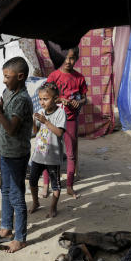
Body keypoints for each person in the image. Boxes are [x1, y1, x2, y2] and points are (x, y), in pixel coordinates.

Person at [0, 57, 33, 254]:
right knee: (5, 190)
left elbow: (12, 129)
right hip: (5, 151)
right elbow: (6, 113)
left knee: (16, 194)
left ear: (20, 77)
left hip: (16, 154)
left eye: (7, 76)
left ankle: (20, 238)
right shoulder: (9, 91)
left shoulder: (22, 99)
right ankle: (6, 228)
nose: (3, 80)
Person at [42, 46, 87, 199]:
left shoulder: (79, 78)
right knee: (49, 152)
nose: (68, 61)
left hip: (71, 120)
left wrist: (78, 102)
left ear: (77, 58)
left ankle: (69, 185)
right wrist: (59, 100)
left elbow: (84, 98)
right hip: (54, 120)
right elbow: (45, 97)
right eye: (66, 57)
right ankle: (46, 185)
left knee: (70, 154)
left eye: (72, 58)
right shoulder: (54, 76)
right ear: (60, 58)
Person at [28, 83, 67, 218]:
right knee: (32, 180)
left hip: (53, 157)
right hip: (39, 155)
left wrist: (45, 121)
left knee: (55, 184)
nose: (42, 102)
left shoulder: (60, 113)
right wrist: (34, 121)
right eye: (40, 99)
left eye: (45, 99)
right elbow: (35, 131)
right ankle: (36, 202)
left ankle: (53, 207)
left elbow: (59, 133)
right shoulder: (41, 112)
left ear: (55, 98)